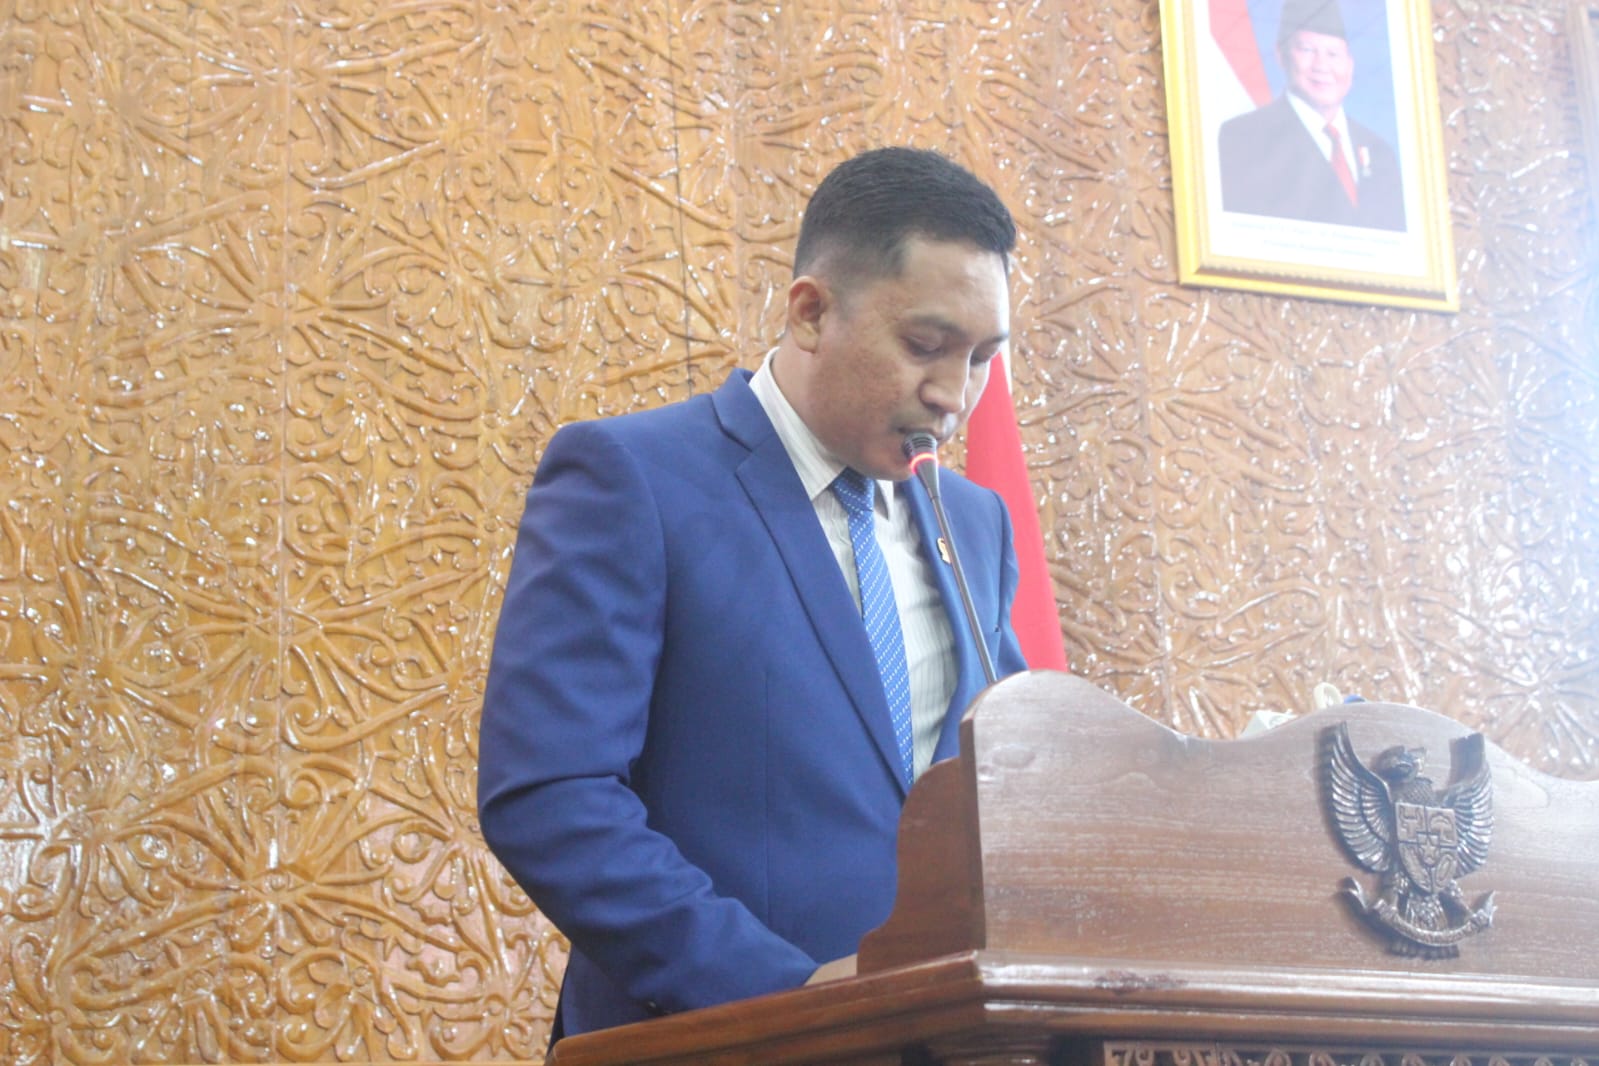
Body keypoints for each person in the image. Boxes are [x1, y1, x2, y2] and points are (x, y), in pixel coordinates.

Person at [477, 147, 1031, 1044]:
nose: (952, 394)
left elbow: (1008, 784)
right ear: (810, 313)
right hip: (720, 1041)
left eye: (982, 359)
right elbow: (551, 794)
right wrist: (787, 992)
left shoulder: (972, 523)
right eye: (925, 347)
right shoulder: (633, 478)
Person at [1217, 0, 1406, 230]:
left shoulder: (1380, 153)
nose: (1322, 66)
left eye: (1333, 54)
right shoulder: (1243, 139)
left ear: (1350, 64)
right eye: (1307, 50)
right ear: (1281, 55)